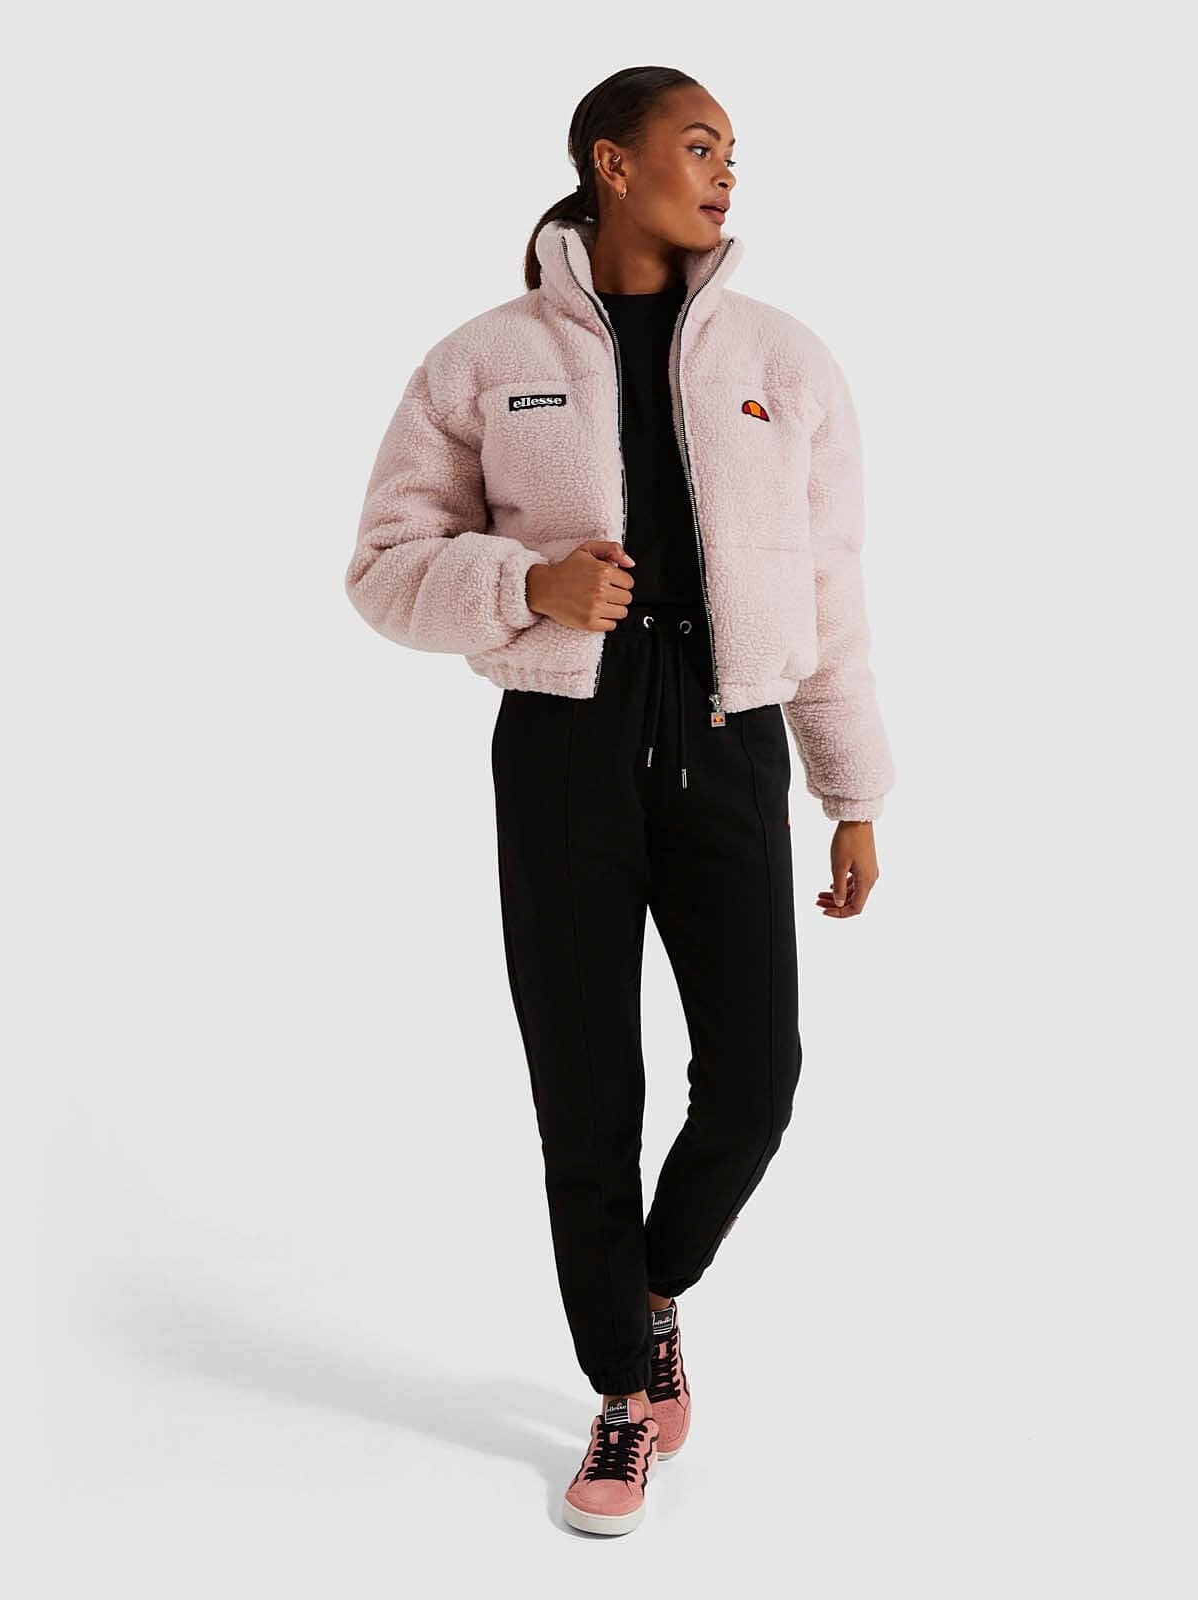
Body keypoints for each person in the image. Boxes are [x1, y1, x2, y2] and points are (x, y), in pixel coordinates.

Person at [346, 65, 895, 1536]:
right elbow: (383, 570)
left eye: (733, 151)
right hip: (565, 752)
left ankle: (651, 1293)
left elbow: (831, 589)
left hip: (731, 741)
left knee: (757, 1082)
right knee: (587, 1095)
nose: (725, 172)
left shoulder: (785, 360)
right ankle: (617, 1394)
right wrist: (528, 584)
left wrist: (850, 788)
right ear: (611, 161)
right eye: (697, 145)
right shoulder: (486, 358)